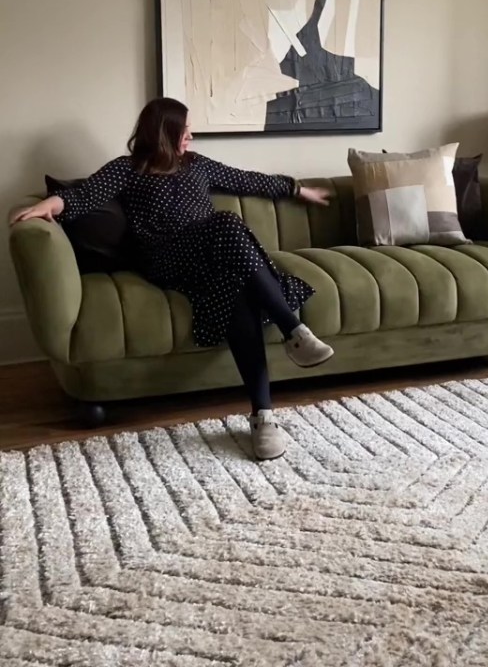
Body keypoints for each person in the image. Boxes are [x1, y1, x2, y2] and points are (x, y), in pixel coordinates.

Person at [10, 97, 334, 460]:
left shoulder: (197, 165)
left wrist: (297, 189)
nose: (191, 136)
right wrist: (48, 206)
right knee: (227, 222)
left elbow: (247, 180)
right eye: (185, 129)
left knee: (238, 290)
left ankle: (263, 417)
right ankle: (294, 330)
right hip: (165, 259)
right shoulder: (129, 169)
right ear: (164, 132)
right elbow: (84, 196)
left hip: (212, 258)